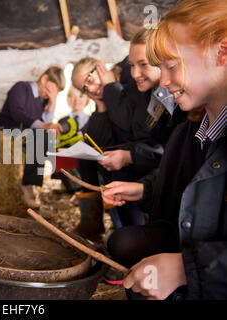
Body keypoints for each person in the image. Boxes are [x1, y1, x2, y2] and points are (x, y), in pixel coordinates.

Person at [102, 0, 227, 299]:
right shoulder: (189, 132)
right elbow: (194, 187)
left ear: (222, 51)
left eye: (171, 67)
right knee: (123, 244)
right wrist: (145, 190)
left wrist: (186, 269)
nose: (165, 82)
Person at [69, 27, 183, 237]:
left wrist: (110, 87)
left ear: (100, 68)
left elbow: (128, 124)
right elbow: (98, 139)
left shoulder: (129, 84)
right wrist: (101, 106)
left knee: (118, 174)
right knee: (85, 152)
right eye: (84, 89)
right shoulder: (115, 92)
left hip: (146, 161)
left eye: (90, 80)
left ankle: (132, 228)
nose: (91, 89)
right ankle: (94, 219)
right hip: (136, 156)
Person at [0, 66, 65, 208]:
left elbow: (43, 123)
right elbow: (17, 114)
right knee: (40, 135)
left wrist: (52, 103)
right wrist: (44, 126)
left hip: (26, 133)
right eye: (50, 90)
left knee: (44, 138)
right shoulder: (21, 88)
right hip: (7, 130)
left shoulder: (42, 100)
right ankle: (27, 186)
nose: (49, 94)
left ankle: (30, 183)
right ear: (44, 78)